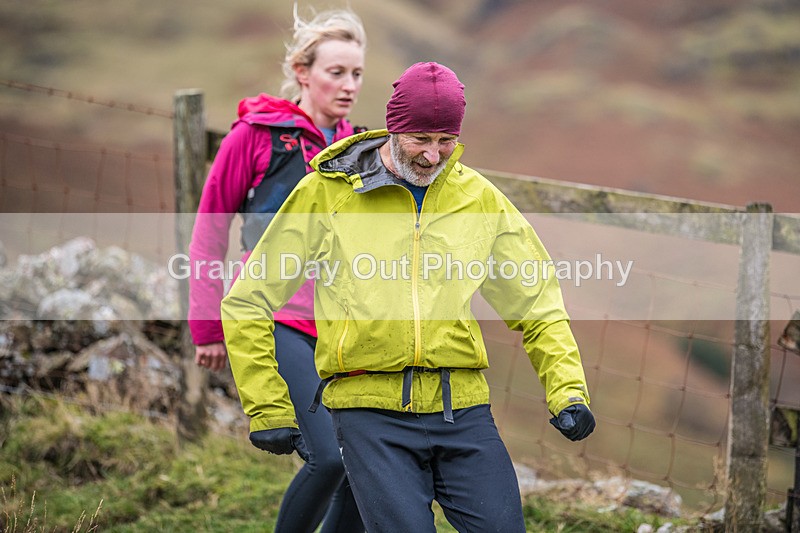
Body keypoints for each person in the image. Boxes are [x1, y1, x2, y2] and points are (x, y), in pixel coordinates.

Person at [221, 62, 596, 532]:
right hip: (368, 412)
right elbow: (247, 300)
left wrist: (568, 391)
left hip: (462, 409)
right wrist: (268, 407)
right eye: (421, 139)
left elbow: (538, 305)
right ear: (393, 127)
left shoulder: (478, 199)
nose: (434, 156)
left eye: (446, 141)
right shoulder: (329, 193)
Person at [187, 8, 367, 533]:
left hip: (343, 329)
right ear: (302, 70)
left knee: (367, 467)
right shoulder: (255, 136)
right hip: (277, 318)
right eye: (337, 72)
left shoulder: (360, 152)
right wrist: (208, 326)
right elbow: (208, 234)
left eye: (357, 74)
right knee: (328, 458)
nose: (349, 85)